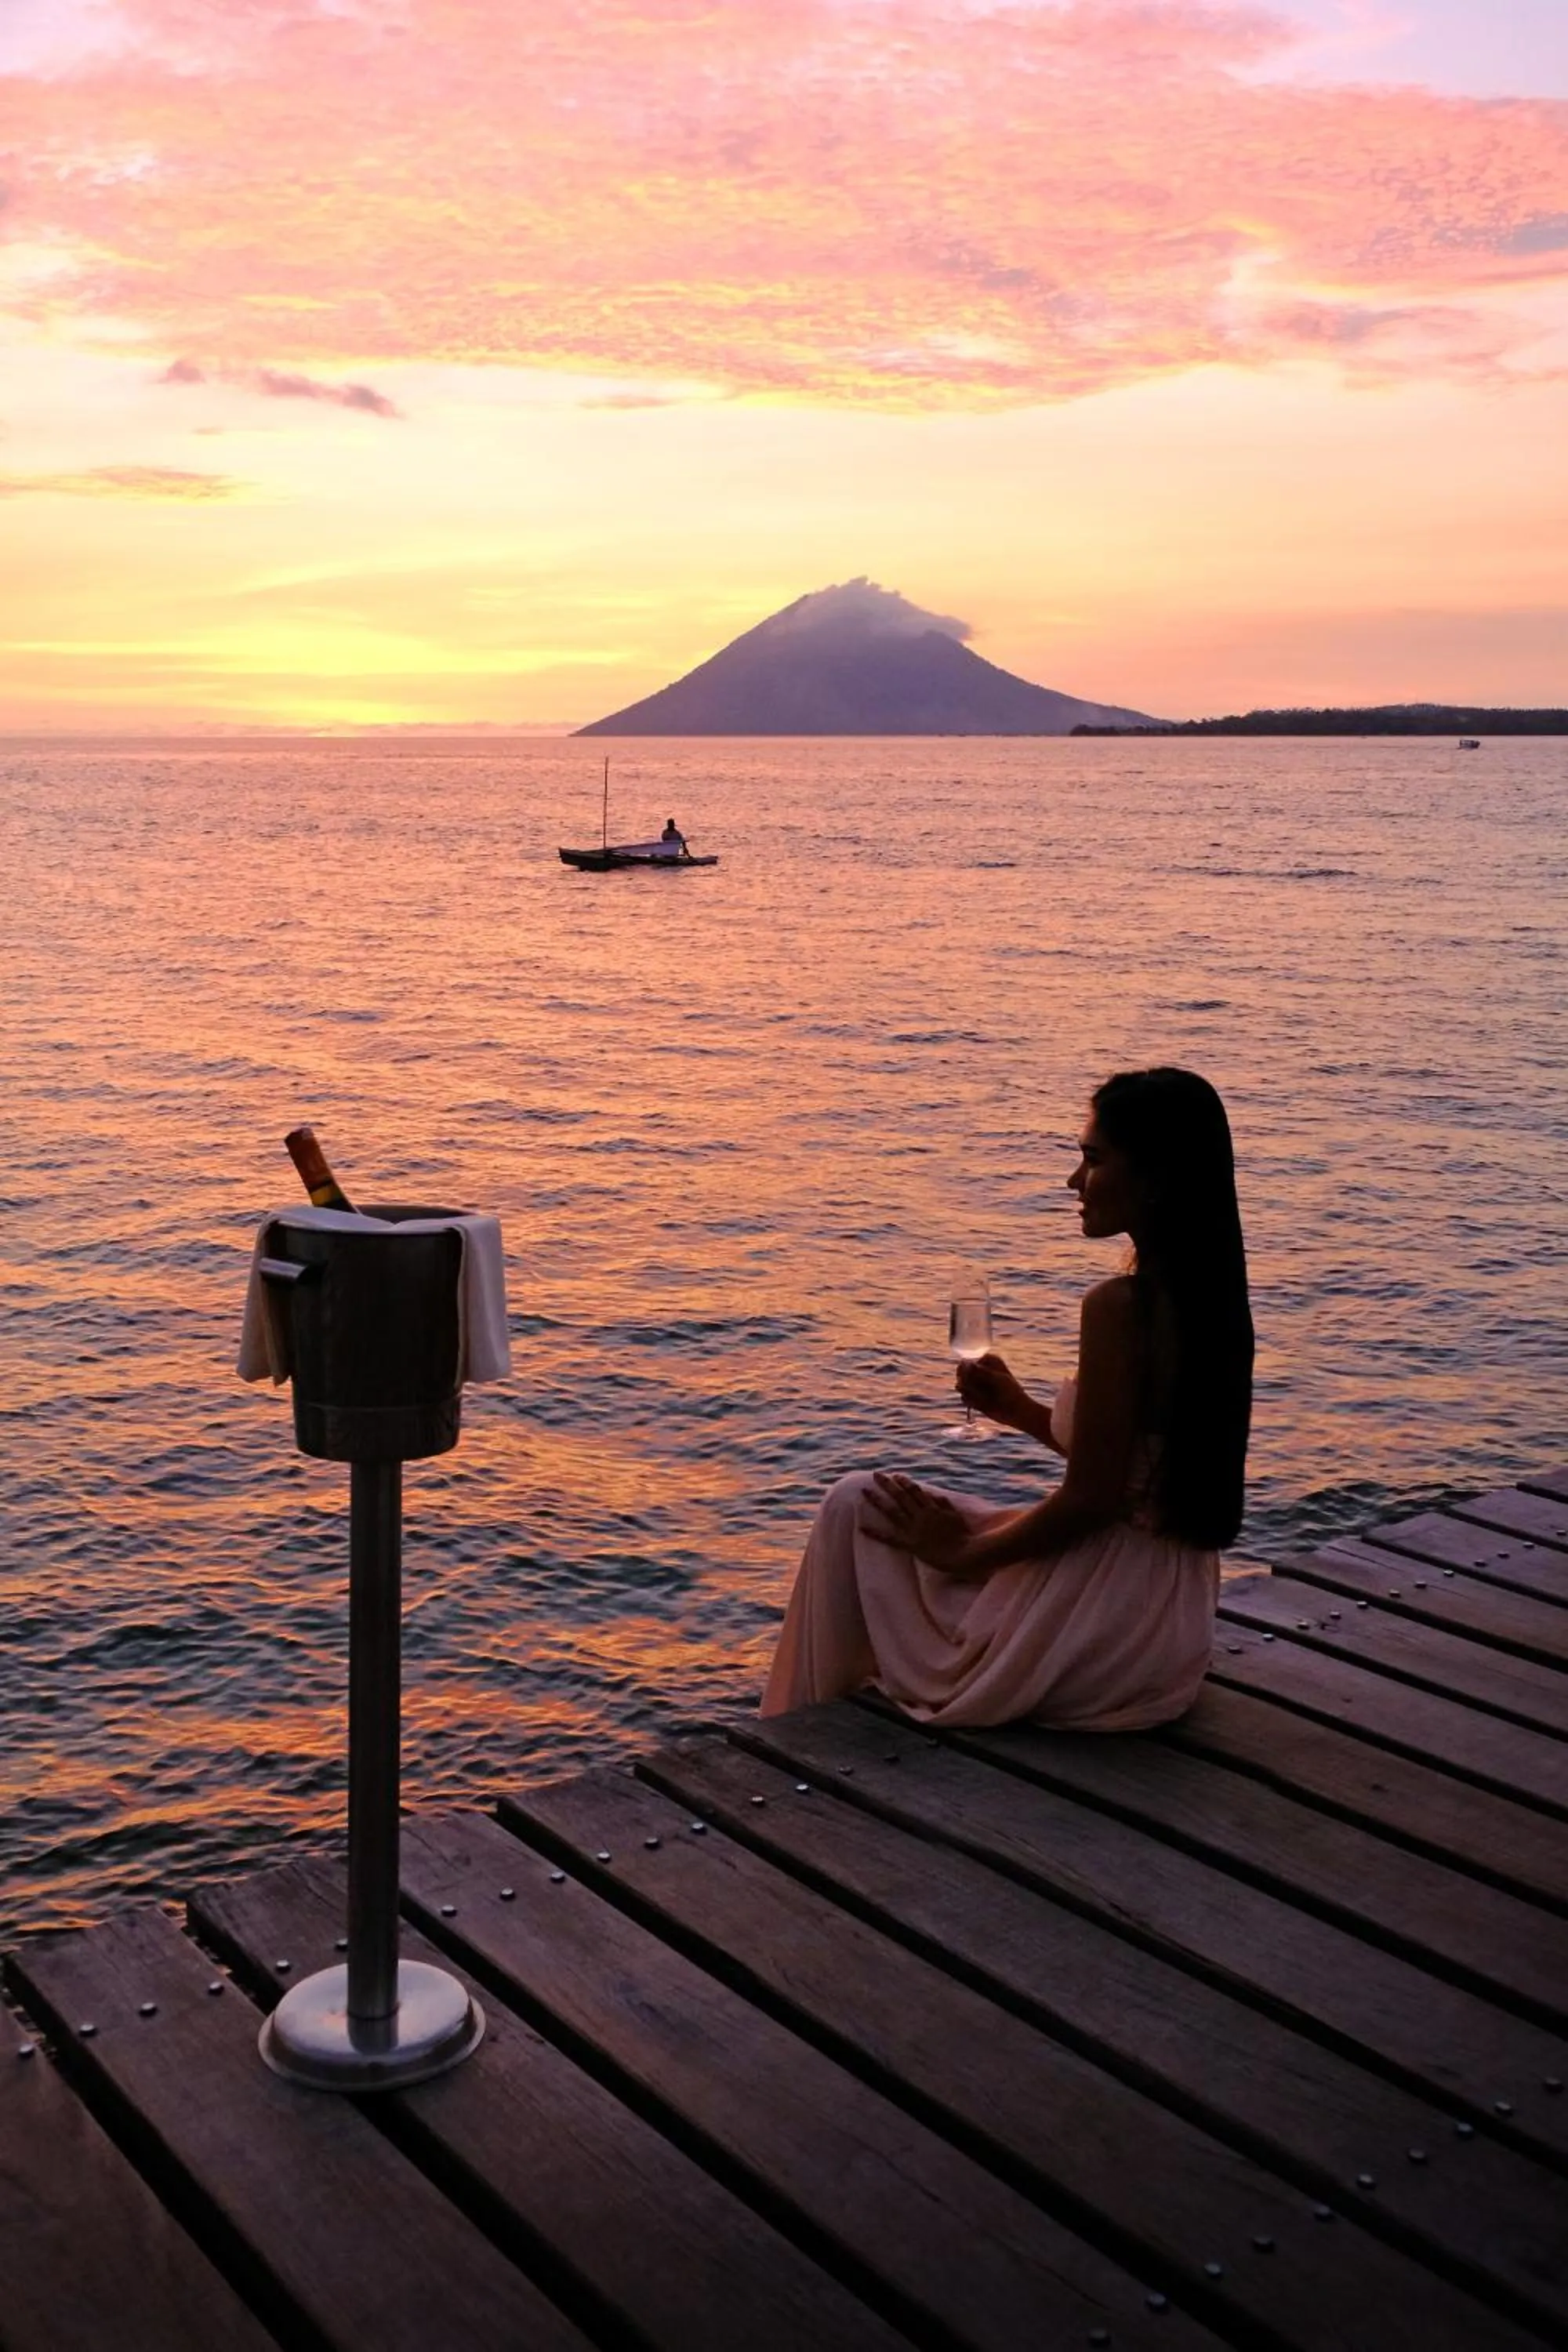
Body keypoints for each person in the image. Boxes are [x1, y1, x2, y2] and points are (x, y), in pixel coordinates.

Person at [760, 1068, 1253, 1730]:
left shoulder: (1121, 1307)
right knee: (895, 1516)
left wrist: (960, 1553)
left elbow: (1092, 1500)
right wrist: (1021, 1412)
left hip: (1102, 1629)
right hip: (1167, 1626)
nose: (1074, 1183)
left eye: (1094, 1159)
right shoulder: (1213, 1305)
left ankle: (801, 1730)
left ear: (1157, 1176)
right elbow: (1134, 1469)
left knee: (858, 1506)